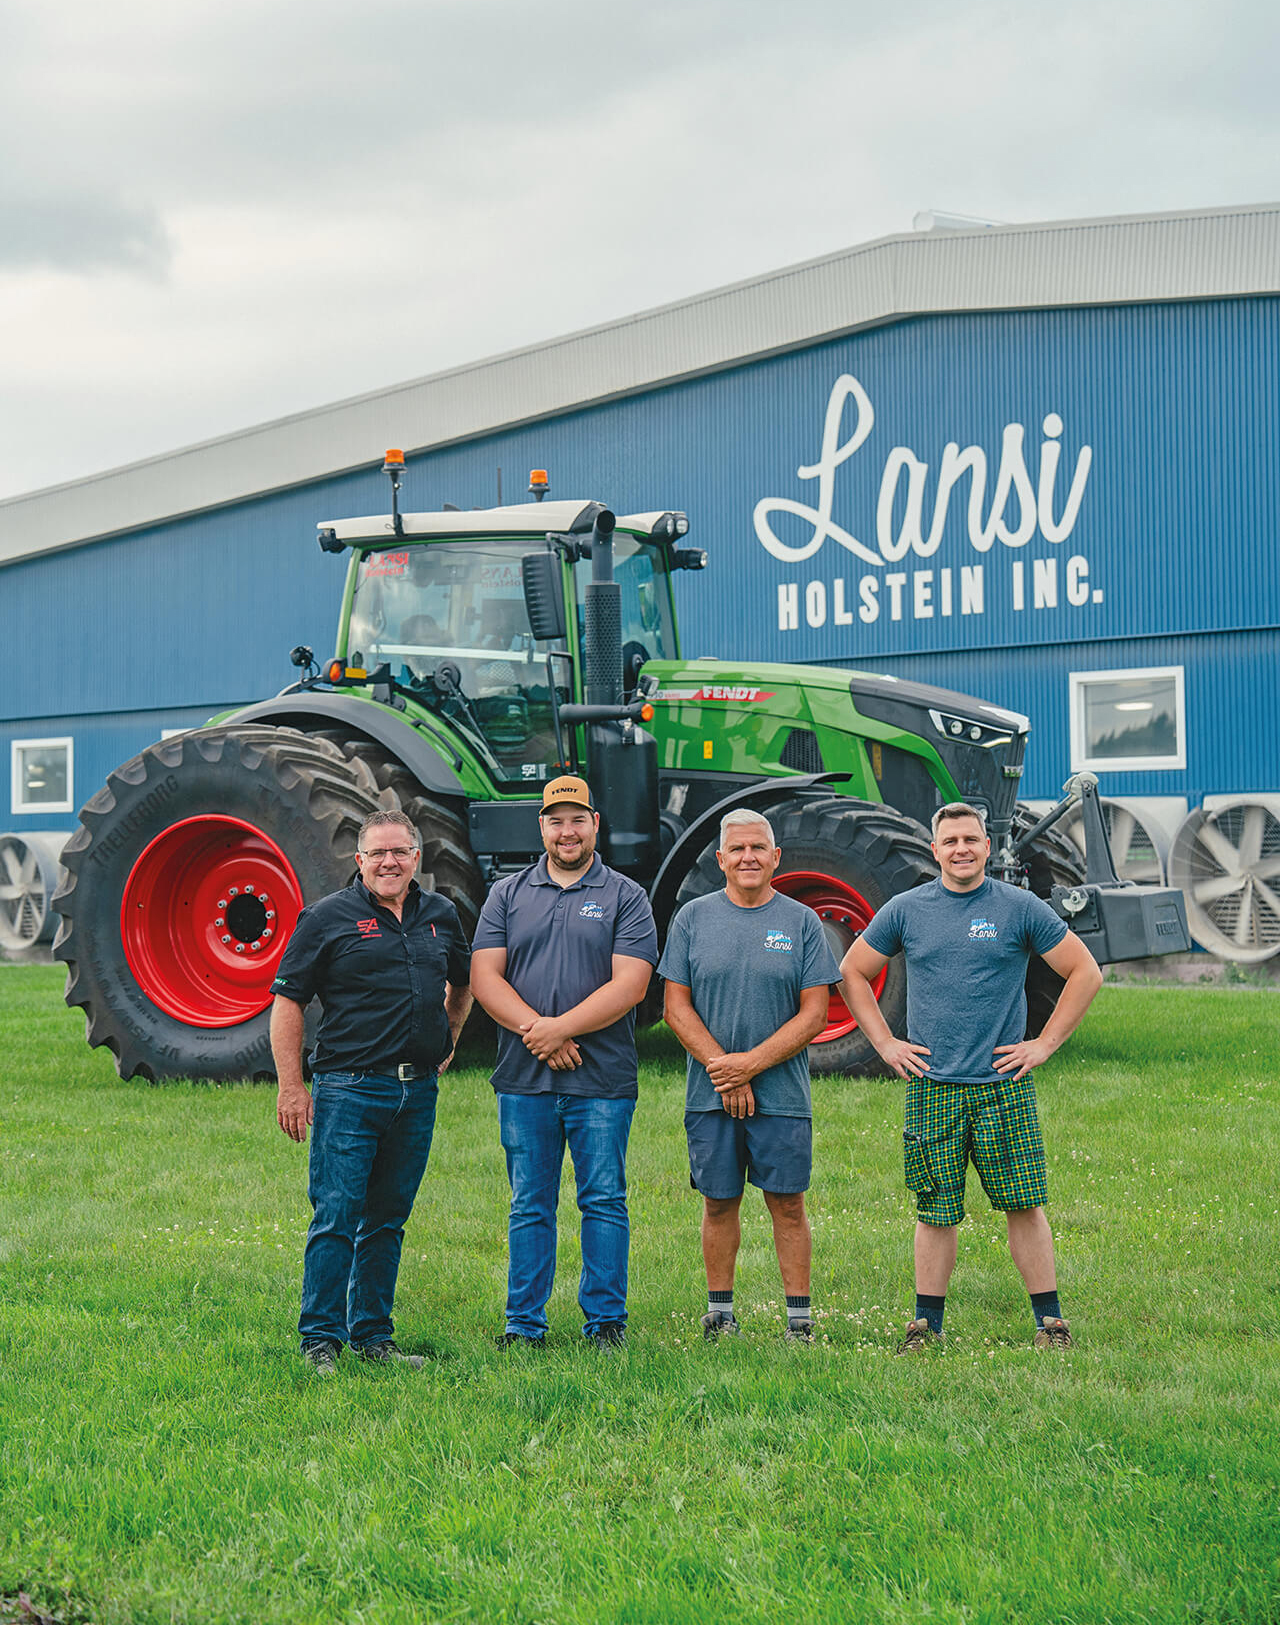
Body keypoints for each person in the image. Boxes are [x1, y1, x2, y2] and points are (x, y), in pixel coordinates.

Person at [838, 801, 1103, 1354]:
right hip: (933, 1086)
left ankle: (1050, 1324)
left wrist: (1044, 1043)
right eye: (950, 841)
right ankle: (925, 1327)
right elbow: (852, 972)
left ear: (987, 847)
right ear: (935, 850)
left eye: (970, 840)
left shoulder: (1019, 907)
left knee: (1023, 1204)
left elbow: (1085, 971)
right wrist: (884, 1043)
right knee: (935, 1208)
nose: (961, 849)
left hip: (1002, 1086)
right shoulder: (907, 910)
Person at [271, 809, 473, 1377]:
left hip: (417, 1093)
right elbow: (287, 1003)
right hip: (349, 1089)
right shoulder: (326, 919)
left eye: (399, 852)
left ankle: (373, 1337)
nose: (389, 861)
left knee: (387, 1218)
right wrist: (292, 1087)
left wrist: (449, 1036)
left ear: (417, 859)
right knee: (336, 1214)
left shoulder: (441, 914)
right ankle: (320, 1341)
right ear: (359, 861)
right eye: (376, 853)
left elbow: (463, 982)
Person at [470, 775, 658, 1350]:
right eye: (556, 820)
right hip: (524, 1081)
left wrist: (560, 1029)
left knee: (602, 1199)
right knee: (530, 1203)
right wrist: (539, 1032)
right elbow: (484, 978)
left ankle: (605, 1323)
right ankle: (523, 1325)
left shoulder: (626, 895)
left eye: (577, 819)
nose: (567, 830)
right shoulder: (507, 894)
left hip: (601, 1080)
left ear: (595, 824)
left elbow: (630, 986)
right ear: (542, 828)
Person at [660, 810, 839, 1343]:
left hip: (781, 1094)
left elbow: (814, 1014)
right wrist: (727, 1073)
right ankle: (720, 1314)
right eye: (737, 850)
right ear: (720, 860)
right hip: (710, 1095)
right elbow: (675, 1007)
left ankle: (800, 1322)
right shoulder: (692, 919)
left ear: (775, 856)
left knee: (787, 1202)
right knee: (718, 1202)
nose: (748, 858)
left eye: (758, 848)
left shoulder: (802, 922)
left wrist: (749, 1066)